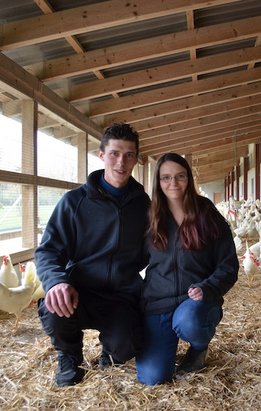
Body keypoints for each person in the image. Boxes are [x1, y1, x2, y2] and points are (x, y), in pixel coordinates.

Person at [35, 123, 150, 387]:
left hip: (121, 295)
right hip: (80, 290)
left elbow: (153, 253)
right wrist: (57, 281)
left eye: (129, 155)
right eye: (114, 153)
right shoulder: (74, 202)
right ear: (101, 155)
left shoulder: (143, 205)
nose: (121, 162)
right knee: (54, 306)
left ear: (136, 159)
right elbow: (48, 250)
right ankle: (69, 355)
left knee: (127, 345)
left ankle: (112, 353)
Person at [136, 152, 239, 385]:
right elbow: (133, 260)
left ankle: (199, 347)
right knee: (153, 377)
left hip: (195, 302)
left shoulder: (205, 212)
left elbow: (229, 264)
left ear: (189, 179)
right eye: (166, 177)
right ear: (158, 181)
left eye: (180, 176)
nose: (173, 183)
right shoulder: (151, 216)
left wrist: (209, 287)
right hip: (158, 302)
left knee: (189, 321)